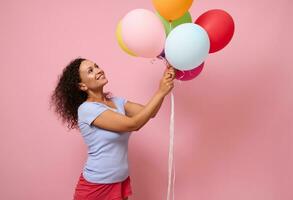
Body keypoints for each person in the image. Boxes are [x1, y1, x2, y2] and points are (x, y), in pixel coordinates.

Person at [50, 57, 176, 200]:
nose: (98, 70)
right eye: (90, 71)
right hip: (97, 187)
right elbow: (134, 124)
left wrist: (164, 87)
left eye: (96, 66)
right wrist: (160, 91)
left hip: (120, 181)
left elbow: (150, 112)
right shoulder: (87, 109)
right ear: (82, 86)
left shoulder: (117, 102)